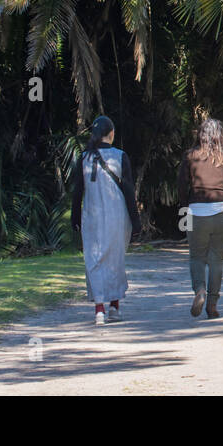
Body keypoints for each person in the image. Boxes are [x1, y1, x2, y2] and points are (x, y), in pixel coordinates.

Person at [71, 115, 141, 325]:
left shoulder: (84, 158)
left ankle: (98, 309)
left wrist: (74, 217)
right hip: (116, 217)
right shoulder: (120, 156)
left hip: (91, 217)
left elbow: (77, 192)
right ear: (111, 134)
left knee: (94, 260)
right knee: (115, 260)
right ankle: (114, 307)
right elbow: (129, 191)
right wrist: (136, 220)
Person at [178, 118, 223, 319]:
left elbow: (181, 187)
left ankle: (199, 291)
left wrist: (184, 210)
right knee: (216, 260)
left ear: (200, 134)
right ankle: (212, 305)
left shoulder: (190, 156)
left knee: (196, 257)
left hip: (196, 212)